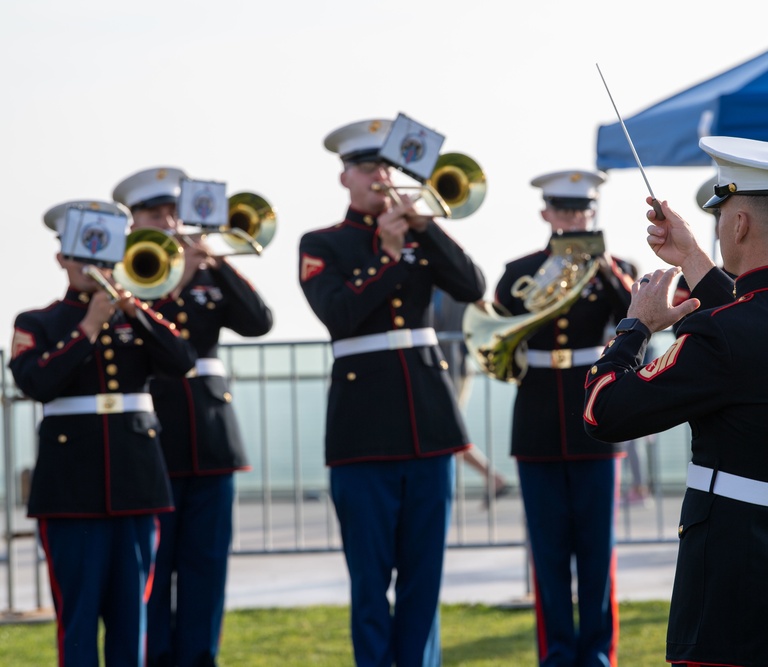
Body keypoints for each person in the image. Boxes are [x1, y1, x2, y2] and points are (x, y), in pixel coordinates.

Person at [583, 136, 768, 667]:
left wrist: (634, 327)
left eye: (723, 217)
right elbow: (762, 323)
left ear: (738, 225)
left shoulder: (724, 336)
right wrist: (691, 256)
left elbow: (605, 411)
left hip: (738, 598)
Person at [298, 117, 485, 666]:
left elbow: (472, 286)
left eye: (387, 166)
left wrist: (425, 230)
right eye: (367, 167)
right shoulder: (323, 244)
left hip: (429, 427)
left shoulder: (422, 237)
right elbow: (339, 315)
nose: (379, 176)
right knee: (370, 581)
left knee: (424, 579)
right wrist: (388, 254)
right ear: (345, 178)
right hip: (363, 435)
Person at [9, 200, 196, 666]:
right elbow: (35, 382)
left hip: (136, 485)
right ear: (61, 260)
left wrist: (137, 315)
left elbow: (181, 362)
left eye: (103, 258)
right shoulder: (39, 322)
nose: (94, 269)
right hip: (70, 491)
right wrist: (87, 328)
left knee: (132, 618)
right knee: (78, 618)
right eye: (83, 258)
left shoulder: (137, 317)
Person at [111, 167, 274, 667]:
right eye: (155, 215)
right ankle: (156, 656)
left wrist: (218, 264)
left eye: (173, 213)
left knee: (206, 565)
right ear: (134, 222)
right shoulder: (125, 274)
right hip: (153, 436)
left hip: (210, 436)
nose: (168, 223)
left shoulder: (208, 272)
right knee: (155, 566)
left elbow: (258, 321)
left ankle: (200, 657)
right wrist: (175, 277)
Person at [494, 169, 633, 666]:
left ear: (593, 213)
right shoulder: (520, 270)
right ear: (546, 213)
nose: (574, 217)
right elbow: (500, 327)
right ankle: (555, 655)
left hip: (596, 418)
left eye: (582, 209)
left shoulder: (615, 269)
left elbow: (633, 320)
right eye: (564, 209)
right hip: (536, 418)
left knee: (598, 554)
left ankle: (598, 655)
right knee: (549, 558)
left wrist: (608, 267)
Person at [430, 287, 510, 505]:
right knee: (444, 431)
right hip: (438, 371)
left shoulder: (456, 286)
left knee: (447, 430)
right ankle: (493, 477)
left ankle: (493, 477)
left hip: (453, 370)